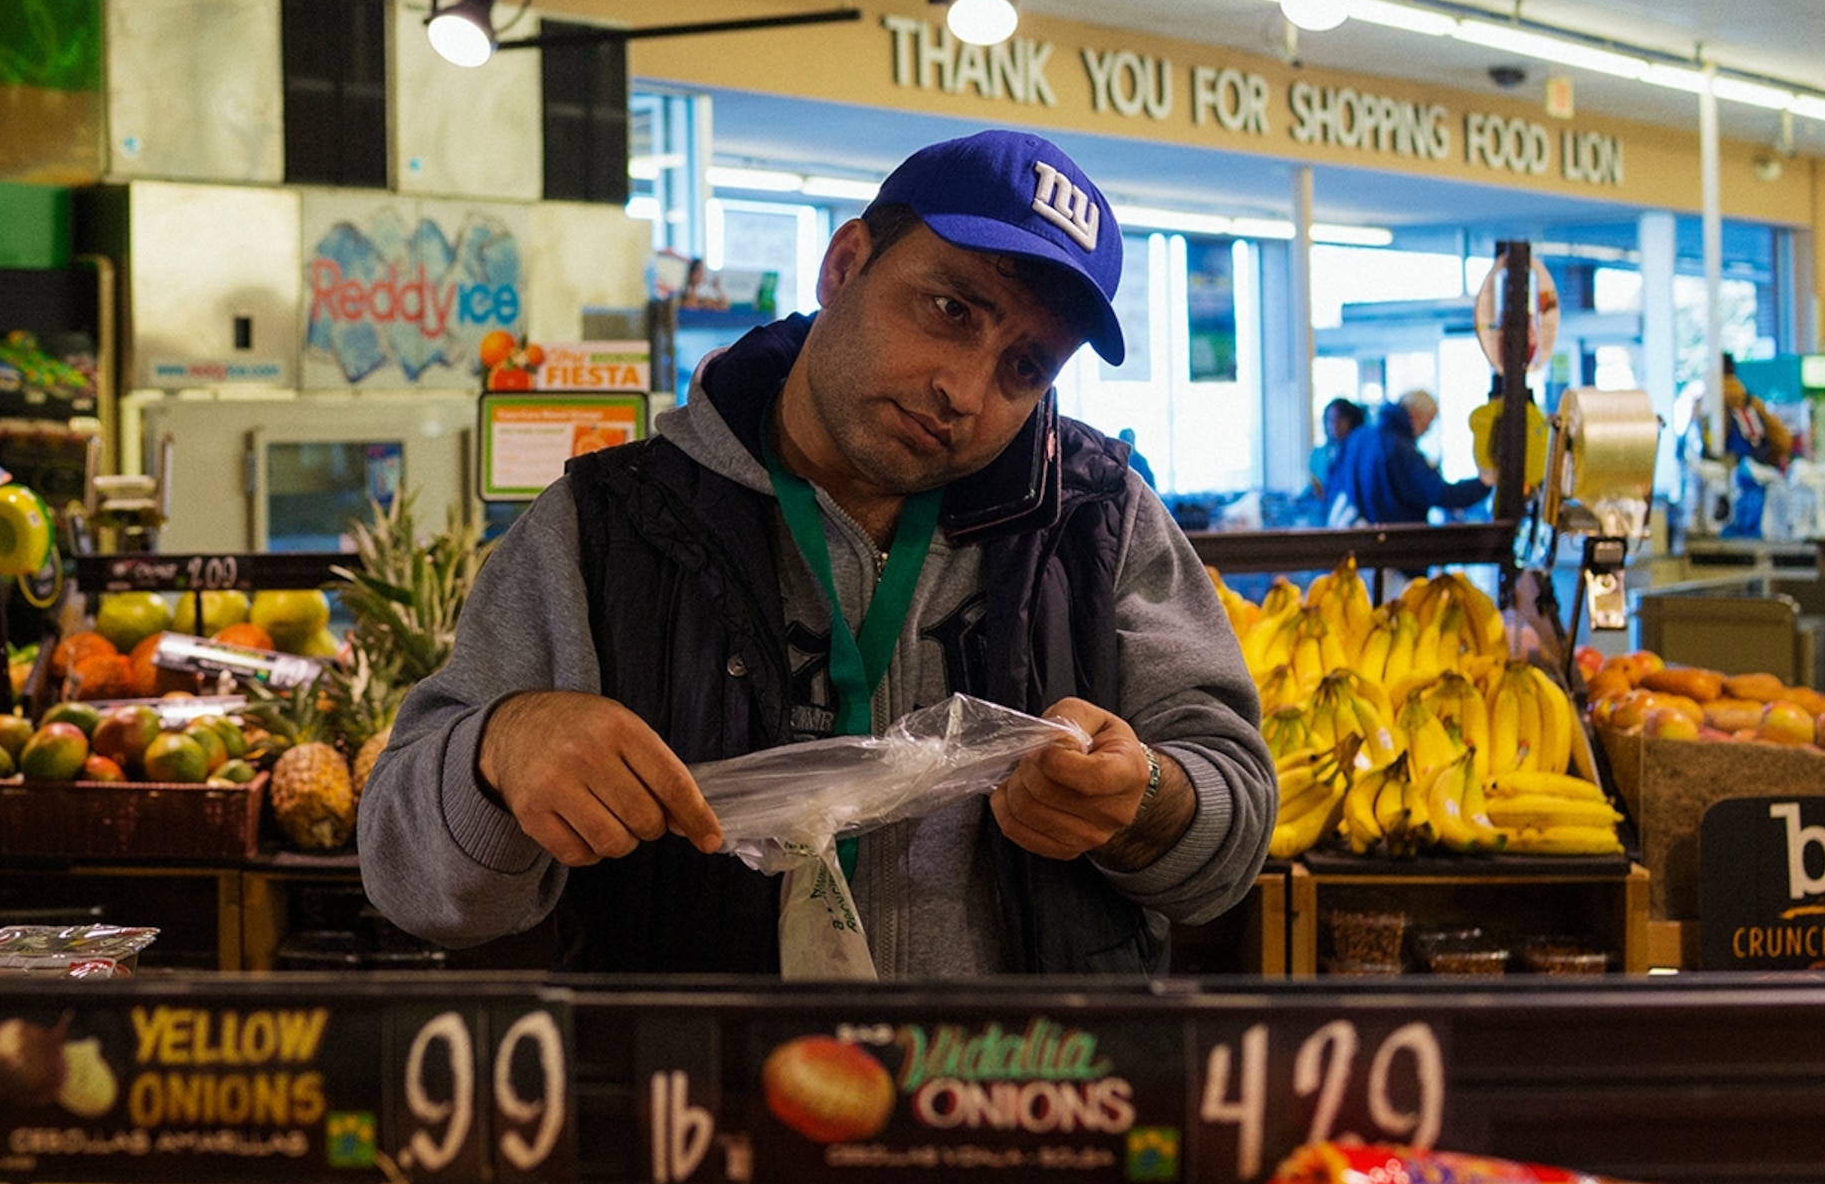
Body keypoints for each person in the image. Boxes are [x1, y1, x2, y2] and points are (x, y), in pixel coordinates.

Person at [356, 128, 1274, 978]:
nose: (964, 389)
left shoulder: (1101, 523)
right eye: (951, 309)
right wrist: (498, 749)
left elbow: (1230, 835)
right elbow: (410, 880)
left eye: (1024, 367)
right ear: (845, 265)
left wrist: (1150, 800)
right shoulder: (607, 527)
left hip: (1026, 1109)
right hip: (701, 1116)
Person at [1337, 389, 1492, 524]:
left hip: (1364, 540)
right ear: (1416, 415)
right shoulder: (1399, 447)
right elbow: (1439, 493)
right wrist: (1483, 483)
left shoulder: (1359, 437)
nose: (1427, 430)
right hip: (1400, 541)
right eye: (1429, 421)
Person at [1310, 397, 1364, 513]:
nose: (1335, 425)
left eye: (1341, 420)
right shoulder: (1319, 454)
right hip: (1325, 511)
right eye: (1330, 420)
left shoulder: (1358, 452)